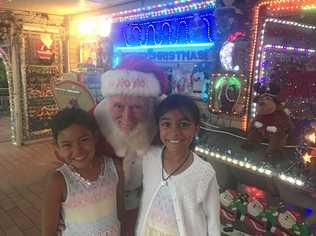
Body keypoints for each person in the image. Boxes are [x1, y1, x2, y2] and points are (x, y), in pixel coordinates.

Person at [93, 56, 169, 235]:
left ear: (151, 106)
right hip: (102, 211)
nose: (127, 118)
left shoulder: (163, 125)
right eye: (118, 106)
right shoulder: (92, 124)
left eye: (137, 107)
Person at [136, 94, 221, 236]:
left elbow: (213, 224)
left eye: (184, 124)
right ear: (158, 126)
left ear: (196, 129)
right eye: (166, 124)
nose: (174, 132)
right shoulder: (148, 158)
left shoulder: (204, 173)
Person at [42, 107, 122, 236]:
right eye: (67, 145)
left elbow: (120, 212)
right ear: (57, 147)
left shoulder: (115, 168)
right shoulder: (58, 181)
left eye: (84, 140)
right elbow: (48, 231)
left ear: (95, 137)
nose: (78, 151)